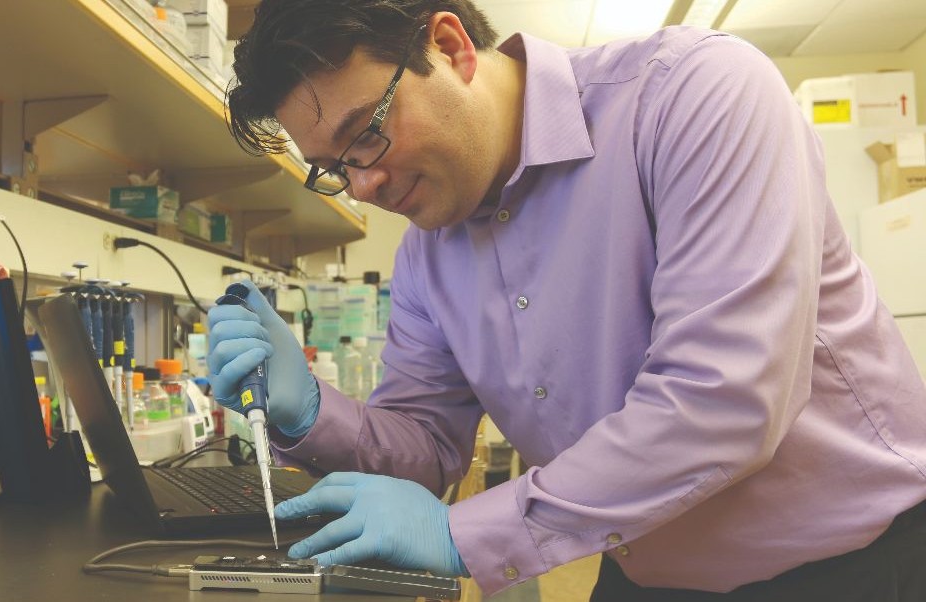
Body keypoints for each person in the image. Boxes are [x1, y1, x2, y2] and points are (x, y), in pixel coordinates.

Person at [206, 1, 926, 599]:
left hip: (854, 566)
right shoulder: (426, 254)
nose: (362, 186)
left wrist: (464, 534)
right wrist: (312, 412)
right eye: (333, 170)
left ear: (450, 46)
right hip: (642, 567)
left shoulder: (695, 94)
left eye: (364, 136)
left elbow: (726, 399)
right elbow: (425, 450)